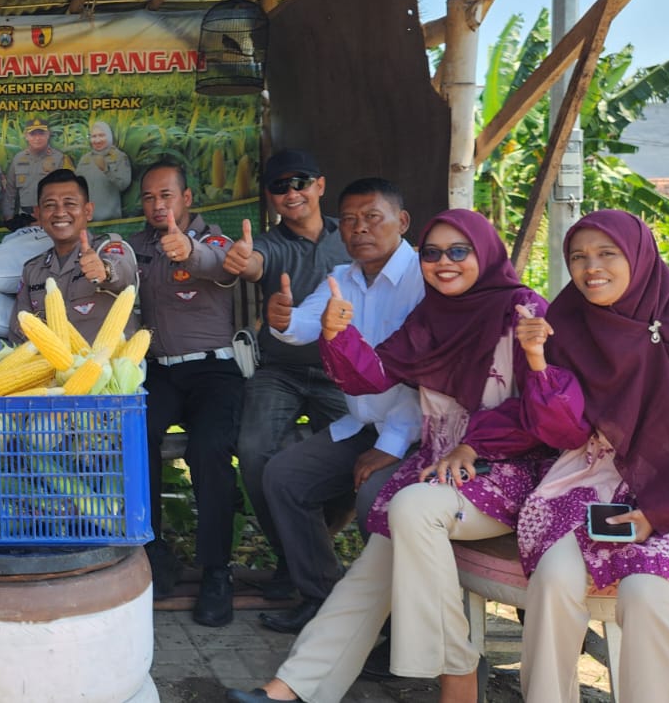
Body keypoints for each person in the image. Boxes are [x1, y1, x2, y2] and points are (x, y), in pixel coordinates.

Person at [231, 209, 551, 703]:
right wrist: (338, 336)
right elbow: (375, 374)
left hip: (509, 471)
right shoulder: (432, 316)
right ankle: (293, 686)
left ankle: (459, 674)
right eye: (432, 253)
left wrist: (475, 443)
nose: (444, 263)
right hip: (442, 471)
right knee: (373, 567)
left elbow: (541, 406)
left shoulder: (523, 310)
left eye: (458, 251)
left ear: (485, 253)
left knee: (408, 512)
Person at [514, 210, 669, 703]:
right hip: (595, 484)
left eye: (606, 254)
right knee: (554, 582)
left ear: (639, 258)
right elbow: (566, 432)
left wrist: (658, 514)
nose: (590, 267)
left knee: (645, 593)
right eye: (578, 257)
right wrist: (536, 365)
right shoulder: (567, 326)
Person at [254, 178, 423, 634]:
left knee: (375, 497)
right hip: (363, 425)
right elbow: (304, 322)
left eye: (372, 217)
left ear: (401, 222)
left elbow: (424, 383)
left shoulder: (424, 278)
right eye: (348, 220)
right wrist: (282, 319)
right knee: (284, 476)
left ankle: (395, 626)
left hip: (420, 436)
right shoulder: (344, 277)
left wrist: (391, 444)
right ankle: (324, 602)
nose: (358, 229)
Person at [224, 149, 352, 601]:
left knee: (366, 451)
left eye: (300, 182)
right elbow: (254, 260)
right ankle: (294, 557)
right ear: (271, 198)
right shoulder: (270, 244)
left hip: (342, 373)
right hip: (279, 370)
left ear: (319, 185)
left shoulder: (351, 235)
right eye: (280, 186)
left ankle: (309, 551)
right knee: (254, 451)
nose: (291, 192)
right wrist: (243, 261)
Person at [126, 160, 244, 625]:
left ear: (187, 198)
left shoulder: (215, 239)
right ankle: (152, 550)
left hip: (214, 371)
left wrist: (187, 251)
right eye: (150, 198)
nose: (158, 205)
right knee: (137, 434)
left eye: (167, 196)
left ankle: (217, 570)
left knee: (210, 449)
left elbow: (218, 263)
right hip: (158, 373)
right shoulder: (135, 247)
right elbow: (115, 270)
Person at [9, 168, 139, 344]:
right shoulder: (33, 270)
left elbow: (124, 272)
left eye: (70, 203)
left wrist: (105, 270)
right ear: (38, 214)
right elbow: (20, 328)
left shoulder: (108, 249)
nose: (60, 212)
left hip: (107, 368)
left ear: (88, 211)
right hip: (53, 370)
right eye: (50, 205)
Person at [0, 117, 73, 228]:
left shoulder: (60, 159)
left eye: (41, 134)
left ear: (48, 135)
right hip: (25, 219)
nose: (37, 138)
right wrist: (9, 219)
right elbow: (10, 192)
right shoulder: (18, 159)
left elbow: (70, 191)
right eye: (33, 134)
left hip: (52, 217)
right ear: (26, 136)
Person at [74, 121, 132, 221]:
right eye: (94, 136)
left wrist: (106, 169)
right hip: (88, 219)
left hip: (111, 219)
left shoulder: (119, 157)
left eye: (101, 135)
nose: (97, 140)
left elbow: (123, 185)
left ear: (109, 136)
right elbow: (76, 186)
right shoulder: (85, 158)